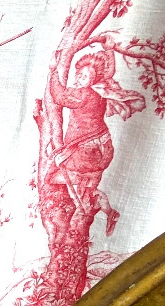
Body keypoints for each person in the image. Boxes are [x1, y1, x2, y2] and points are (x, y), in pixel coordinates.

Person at [47, 36, 145, 236]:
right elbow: (108, 72)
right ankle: (109, 212)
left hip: (86, 152)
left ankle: (81, 212)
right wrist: (109, 51)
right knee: (87, 189)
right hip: (103, 150)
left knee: (55, 177)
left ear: (91, 80)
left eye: (84, 77)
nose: (78, 79)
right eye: (79, 75)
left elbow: (58, 95)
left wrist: (52, 71)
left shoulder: (83, 95)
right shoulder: (99, 93)